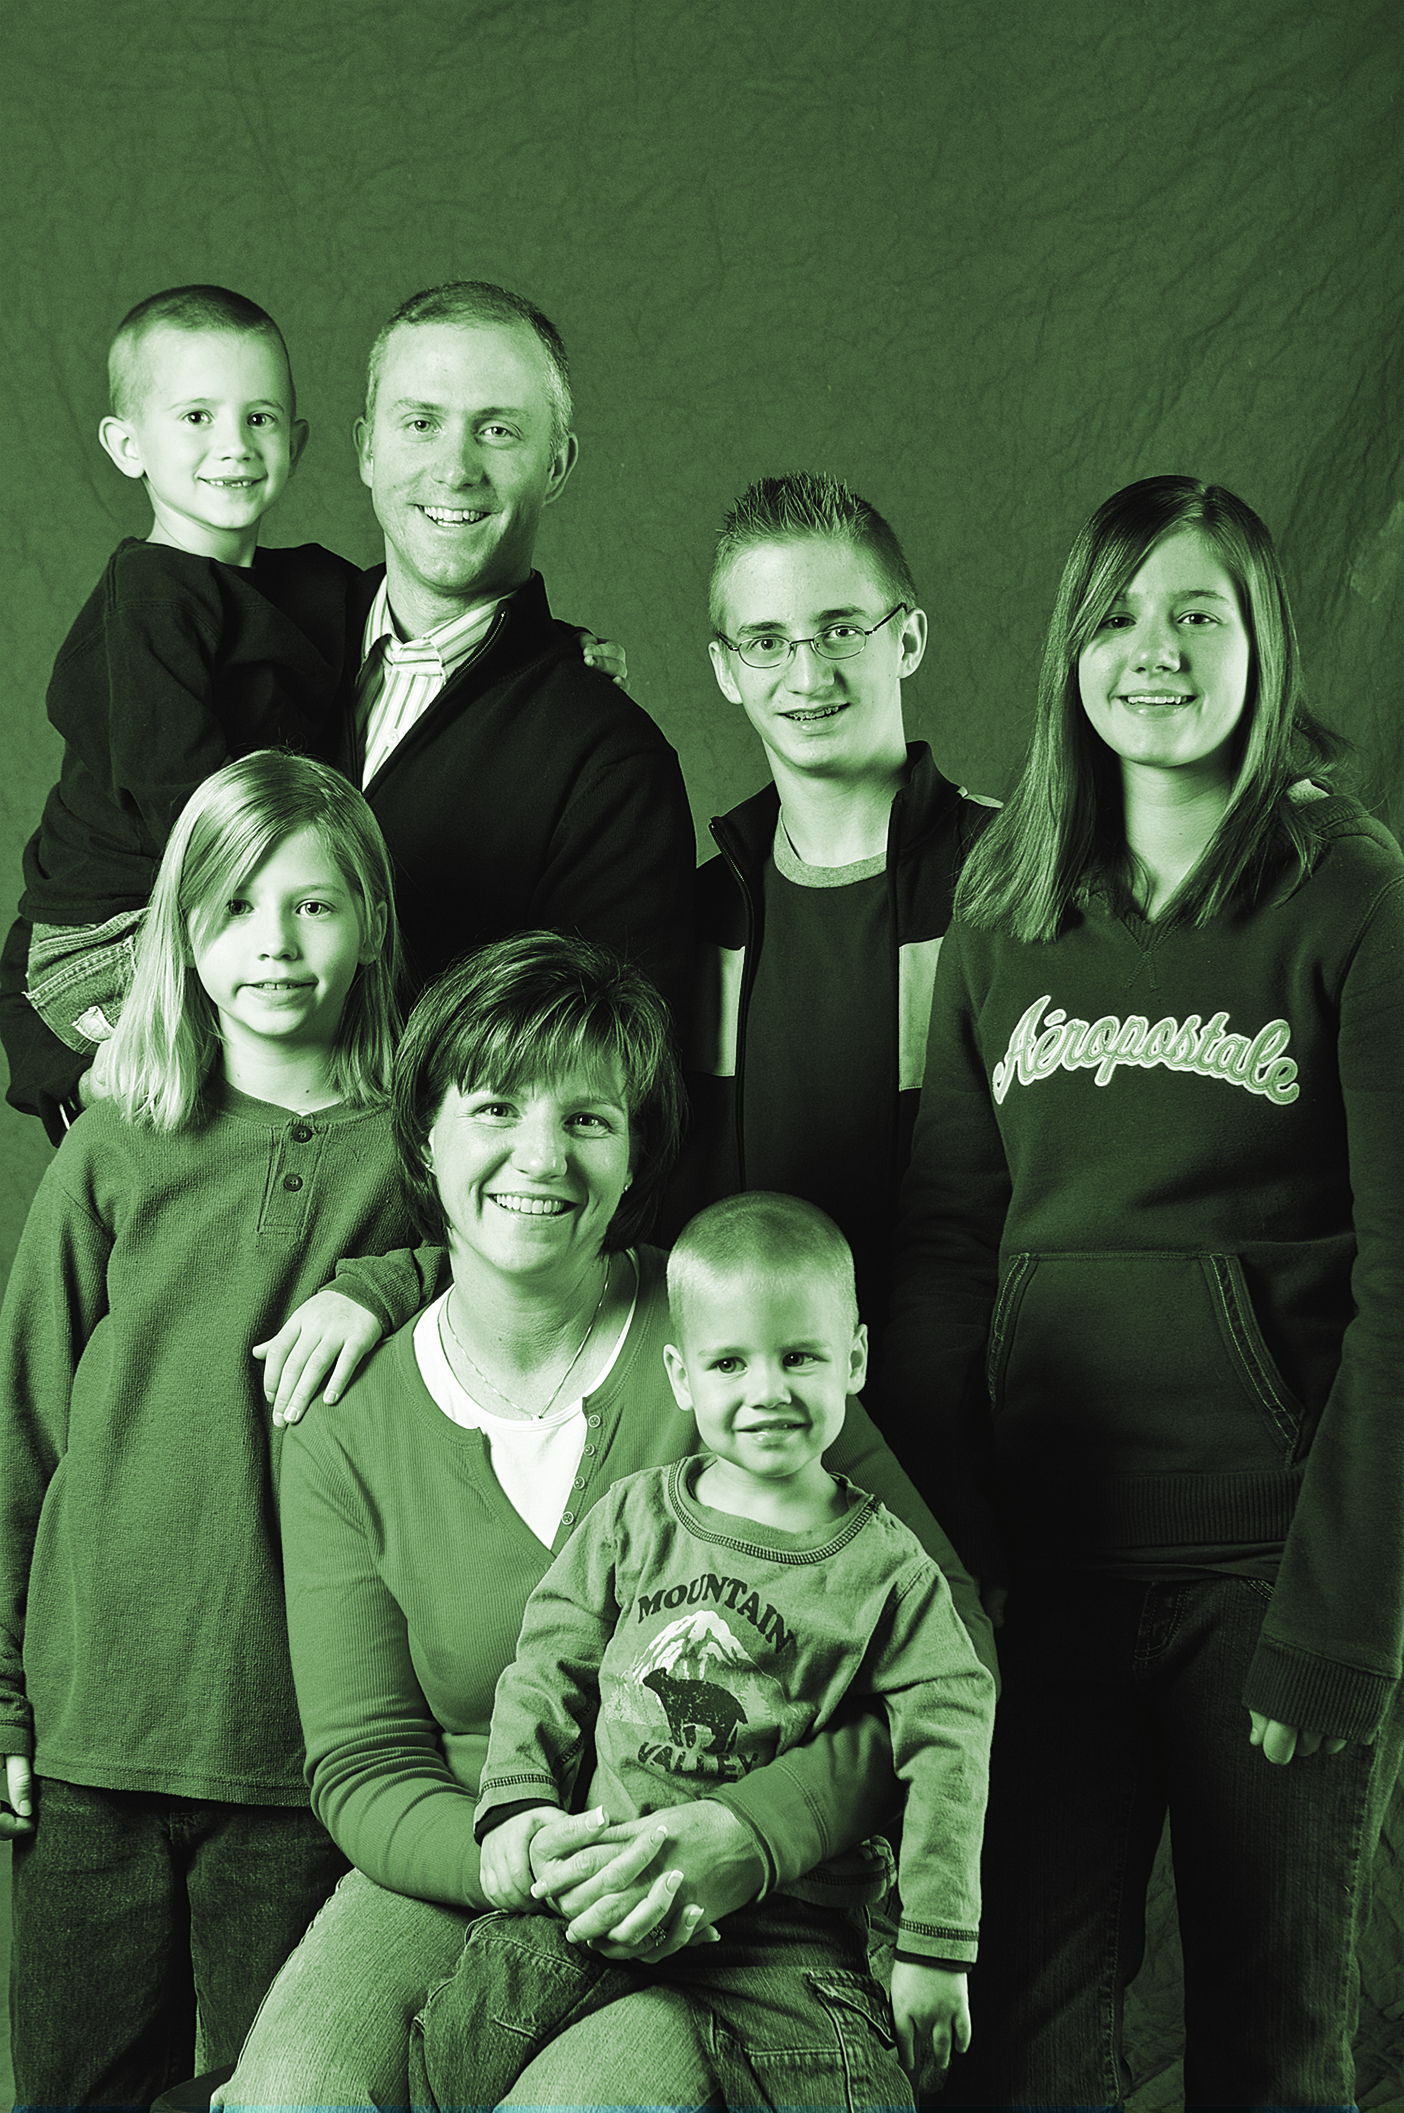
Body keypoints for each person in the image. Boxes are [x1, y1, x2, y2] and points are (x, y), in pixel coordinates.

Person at [214, 932, 997, 2110]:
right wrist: (506, 1849)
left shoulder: (733, 1350)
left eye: (589, 1119)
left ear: (637, 1158)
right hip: (468, 1864)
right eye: (494, 1108)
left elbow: (949, 1656)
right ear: (425, 1136)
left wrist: (750, 1832)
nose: (543, 1154)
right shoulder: (344, 1417)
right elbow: (365, 1755)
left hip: (732, 1910)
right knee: (289, 2096)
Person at [877, 475, 1404, 2106]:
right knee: (1016, 2052)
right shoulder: (1002, 909)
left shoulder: (1352, 898)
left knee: (1264, 2045)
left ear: (1263, 643)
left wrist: (1333, 1628)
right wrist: (959, 1563)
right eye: (1116, 613)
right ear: (1066, 652)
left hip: (1263, 1572)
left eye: (1197, 613)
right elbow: (947, 1249)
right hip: (1042, 1587)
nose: (1151, 650)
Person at [0, 750, 415, 2106]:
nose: (273, 946)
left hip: (299, 1744)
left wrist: (387, 1280)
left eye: (312, 907)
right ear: (184, 931)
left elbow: (541, 1273)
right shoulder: (120, 1134)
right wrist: (2, 1692)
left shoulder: (420, 1154)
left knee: (279, 2089)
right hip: (92, 1730)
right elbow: (21, 1427)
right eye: (235, 909)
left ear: (369, 926)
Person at [0, 281, 632, 1141]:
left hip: (340, 1087)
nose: (233, 446)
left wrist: (562, 648)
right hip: (117, 930)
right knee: (195, 1095)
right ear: (126, 445)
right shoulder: (147, 604)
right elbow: (187, 810)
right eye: (195, 418)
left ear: (298, 439)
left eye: (258, 419)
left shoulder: (311, 590)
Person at [414, 1190, 993, 2109]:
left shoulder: (890, 1569)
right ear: (683, 1378)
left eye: (800, 1357)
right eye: (731, 1363)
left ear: (856, 1359)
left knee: (859, 2093)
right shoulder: (634, 1518)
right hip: (600, 1884)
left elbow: (951, 1742)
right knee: (457, 2056)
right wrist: (513, 1805)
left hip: (788, 1931)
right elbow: (546, 1660)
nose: (767, 1391)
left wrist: (934, 1944)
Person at [662, 471, 995, 1327]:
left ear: (909, 639)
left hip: (997, 1411)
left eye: (840, 630)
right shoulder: (699, 917)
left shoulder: (1013, 873)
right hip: (762, 1430)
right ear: (725, 670)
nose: (806, 674)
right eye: (766, 641)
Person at [336, 277, 696, 1020]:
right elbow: (81, 873)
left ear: (557, 466)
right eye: (421, 423)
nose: (456, 468)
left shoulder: (609, 764)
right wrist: (86, 1081)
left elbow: (609, 1076)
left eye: (497, 430)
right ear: (367, 446)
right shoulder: (261, 643)